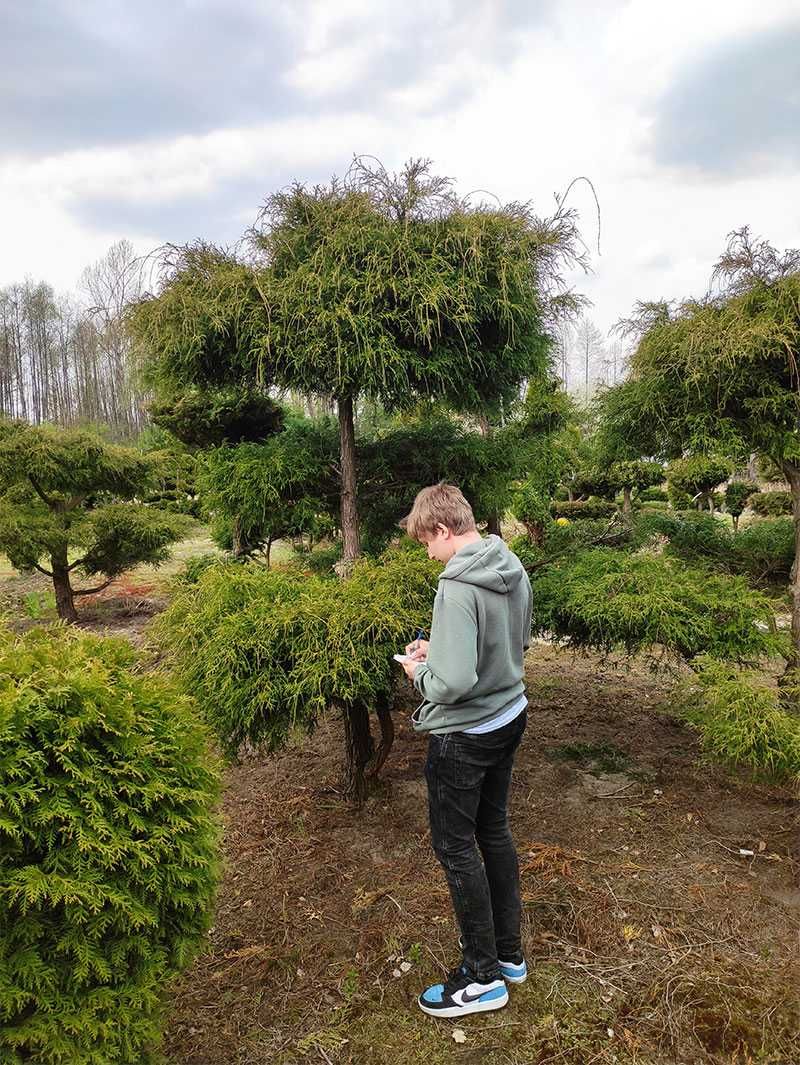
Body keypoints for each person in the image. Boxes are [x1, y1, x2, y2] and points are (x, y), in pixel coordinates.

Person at [398, 483, 532, 1018]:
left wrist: (420, 671)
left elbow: (450, 684)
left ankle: (482, 978)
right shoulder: (509, 564)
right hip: (509, 714)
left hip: (466, 736)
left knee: (456, 849)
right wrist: (445, 646)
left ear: (443, 530)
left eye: (426, 542)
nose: (427, 554)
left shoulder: (455, 586)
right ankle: (509, 955)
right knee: (493, 832)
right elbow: (512, 639)